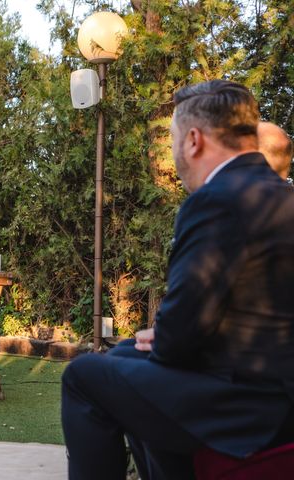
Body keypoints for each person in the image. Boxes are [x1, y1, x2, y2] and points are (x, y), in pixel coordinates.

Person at [61, 80, 294, 480]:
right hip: (273, 386)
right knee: (124, 359)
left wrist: (163, 335)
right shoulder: (280, 196)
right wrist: (164, 336)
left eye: (171, 141)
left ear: (193, 140)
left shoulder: (216, 199)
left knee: (83, 377)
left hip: (250, 409)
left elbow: (182, 337)